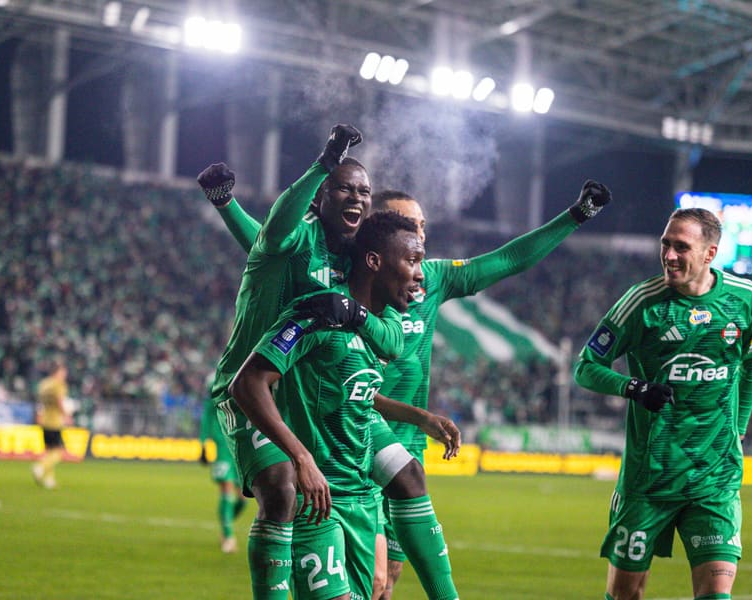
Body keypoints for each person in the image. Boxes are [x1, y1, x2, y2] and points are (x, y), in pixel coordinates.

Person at [210, 178, 612, 599]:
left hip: (380, 428)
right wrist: (228, 205)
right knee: (299, 505)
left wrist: (576, 216)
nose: (418, 235)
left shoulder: (425, 284)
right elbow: (269, 244)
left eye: (420, 226)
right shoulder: (337, 282)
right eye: (405, 225)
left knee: (388, 571)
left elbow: (509, 258)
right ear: (372, 247)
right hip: (335, 428)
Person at [199, 125, 408, 600]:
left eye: (365, 191)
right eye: (343, 187)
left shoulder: (355, 259)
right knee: (281, 486)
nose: (356, 197)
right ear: (319, 198)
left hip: (314, 393)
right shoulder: (295, 241)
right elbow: (268, 235)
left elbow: (391, 333)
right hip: (253, 385)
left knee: (397, 473)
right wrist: (324, 161)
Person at [229, 210, 425, 600]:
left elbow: (362, 396)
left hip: (362, 499)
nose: (420, 273)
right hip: (319, 501)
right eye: (412, 260)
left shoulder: (378, 328)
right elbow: (247, 384)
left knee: (375, 590)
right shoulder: (319, 312)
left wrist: (423, 418)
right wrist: (301, 458)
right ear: (375, 261)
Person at [573, 207, 752, 600]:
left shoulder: (744, 300)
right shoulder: (642, 302)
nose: (670, 255)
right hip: (650, 478)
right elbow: (585, 366)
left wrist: (739, 425)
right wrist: (634, 388)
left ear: (710, 254)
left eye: (682, 247)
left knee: (716, 594)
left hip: (714, 479)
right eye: (666, 244)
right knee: (626, 594)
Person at [199, 382, 247, 553]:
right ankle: (228, 536)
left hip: (240, 446)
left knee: (243, 499)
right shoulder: (215, 387)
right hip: (222, 449)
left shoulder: (245, 382)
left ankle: (225, 525)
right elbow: (207, 417)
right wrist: (203, 444)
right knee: (226, 489)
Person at [32, 360, 70, 490]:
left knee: (49, 451)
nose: (65, 374)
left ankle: (49, 479)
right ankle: (40, 467)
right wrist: (66, 416)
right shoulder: (58, 385)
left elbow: (39, 403)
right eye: (63, 372)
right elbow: (60, 402)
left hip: (44, 420)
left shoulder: (43, 384)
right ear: (57, 372)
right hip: (54, 422)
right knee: (58, 452)